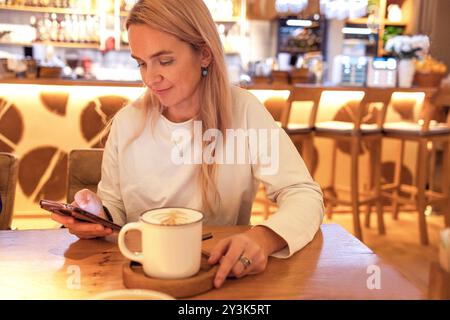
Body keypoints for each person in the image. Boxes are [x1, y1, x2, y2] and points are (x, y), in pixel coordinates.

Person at [51, 0, 324, 288]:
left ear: (204, 54)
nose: (150, 78)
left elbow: (303, 194)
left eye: (165, 61)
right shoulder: (127, 123)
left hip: (219, 275)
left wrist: (265, 238)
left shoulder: (244, 112)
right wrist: (97, 214)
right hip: (140, 277)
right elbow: (115, 209)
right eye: (141, 63)